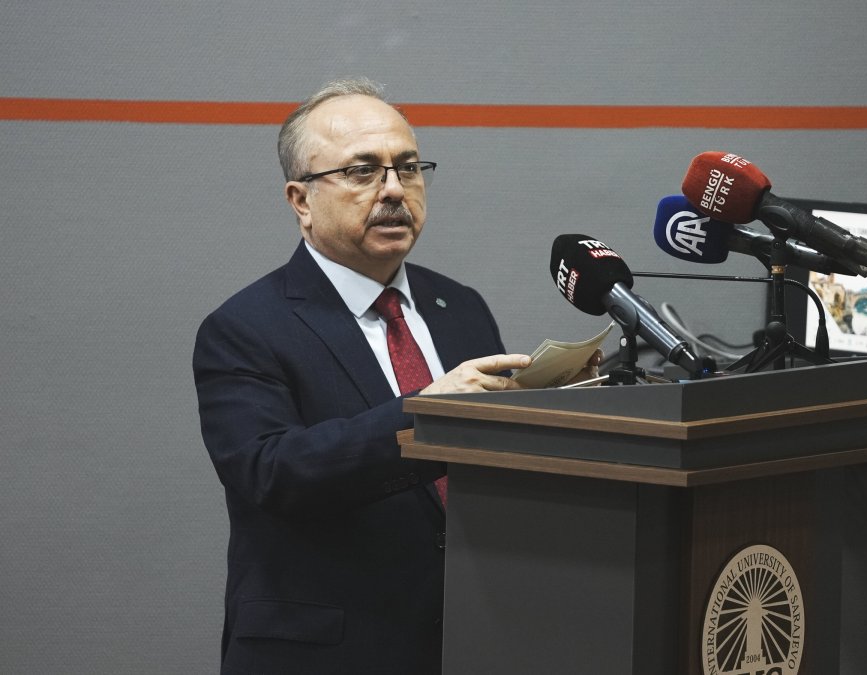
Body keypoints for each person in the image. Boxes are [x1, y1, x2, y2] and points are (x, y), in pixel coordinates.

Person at [193, 78, 589, 674]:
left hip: (472, 640)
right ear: (301, 200)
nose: (394, 191)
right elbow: (273, 473)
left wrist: (551, 408)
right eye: (362, 172)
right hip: (327, 651)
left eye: (408, 168)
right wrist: (426, 411)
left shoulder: (459, 305)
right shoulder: (245, 327)